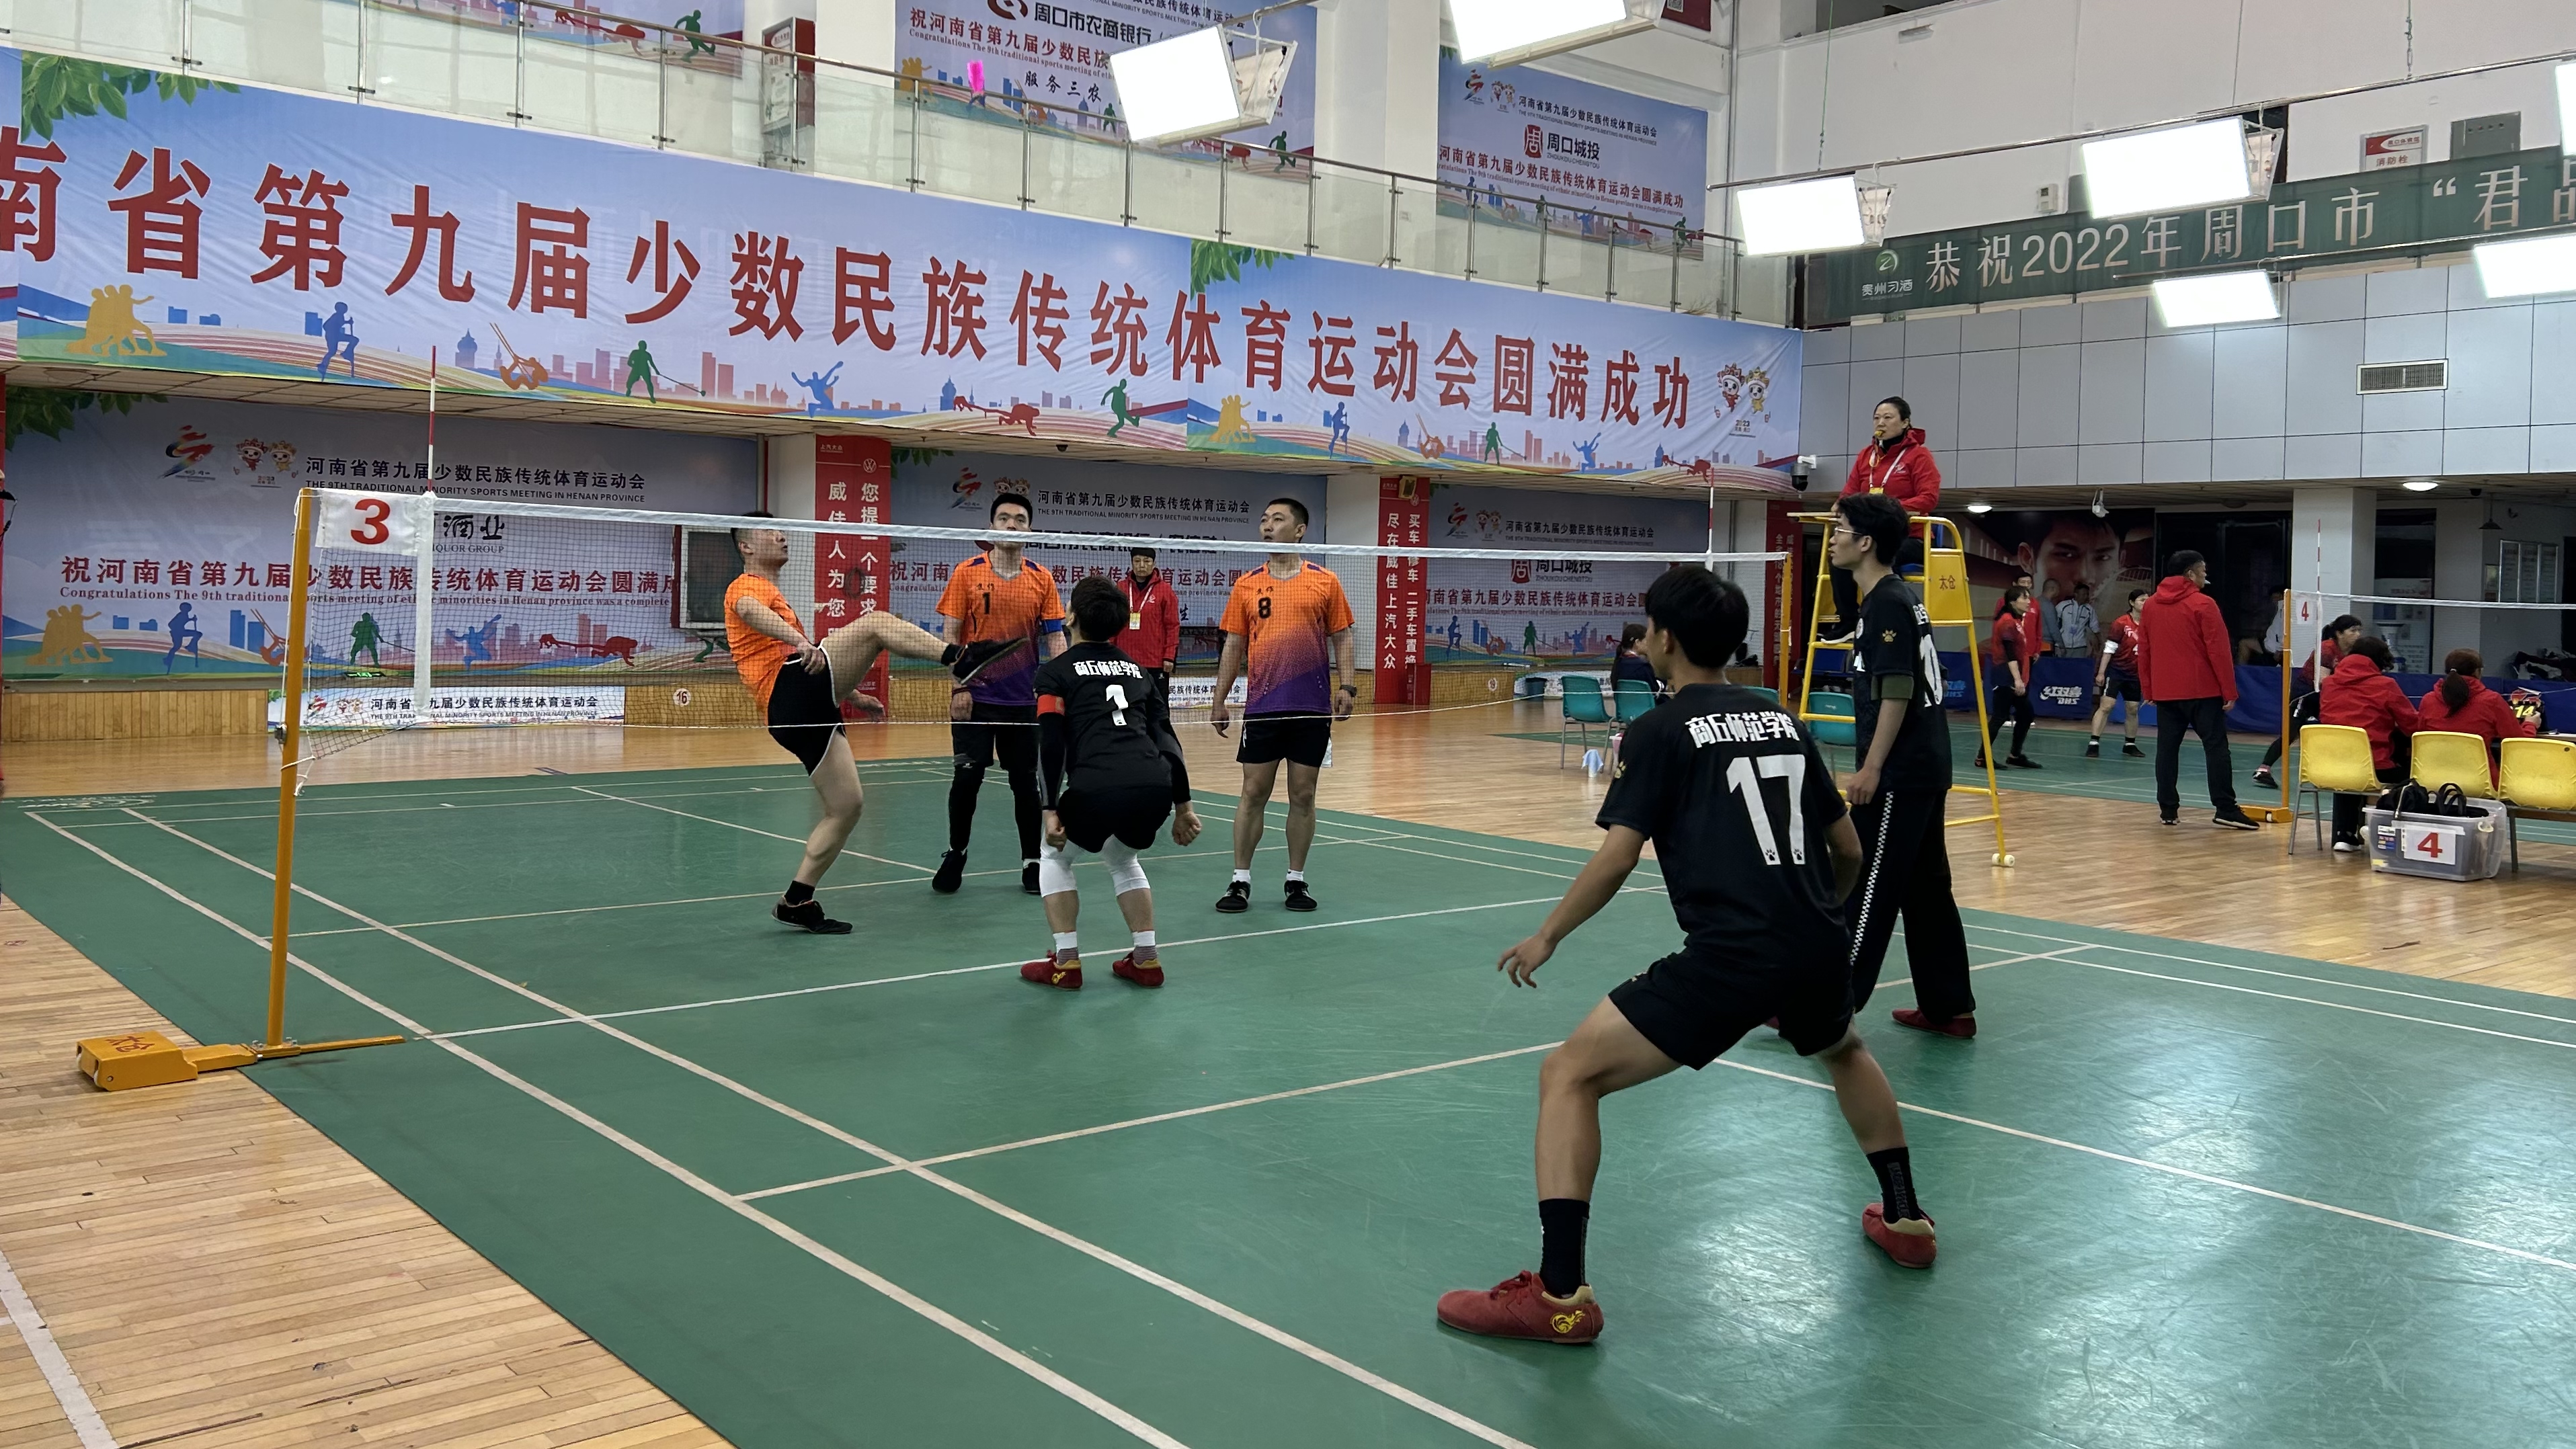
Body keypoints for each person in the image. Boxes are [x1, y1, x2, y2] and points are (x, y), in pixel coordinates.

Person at [1433, 566, 1937, 1347]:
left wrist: (1548, 934)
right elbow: (1846, 849)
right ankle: (1905, 1220)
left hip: (1733, 954)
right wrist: (1817, 922)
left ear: (1663, 639)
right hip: (1815, 939)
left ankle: (1559, 1296)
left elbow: (1617, 855)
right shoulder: (1781, 719)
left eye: (1646, 625)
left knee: (1567, 1074)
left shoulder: (1659, 730)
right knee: (1843, 1048)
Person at [725, 513, 1020, 932]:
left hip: (802, 710)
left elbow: (810, 661)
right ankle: (960, 658)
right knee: (877, 623)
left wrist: (855, 697)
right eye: (768, 532)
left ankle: (797, 900)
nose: (780, 536)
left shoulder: (776, 593)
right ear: (746, 546)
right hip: (786, 690)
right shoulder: (745, 586)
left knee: (846, 807)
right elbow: (750, 612)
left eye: (781, 530)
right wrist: (800, 640)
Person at [1833, 493, 1976, 1038]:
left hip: (1901, 771)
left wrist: (1872, 768)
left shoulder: (1888, 603)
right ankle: (1949, 1008)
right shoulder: (1894, 598)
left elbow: (1897, 689)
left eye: (1840, 529)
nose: (1833, 539)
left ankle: (1828, 1007)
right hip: (1924, 766)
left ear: (1866, 542)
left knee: (1865, 884)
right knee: (1925, 890)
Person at [1021, 577, 1205, 990]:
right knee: (1123, 858)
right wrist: (1184, 806)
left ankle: (1065, 964)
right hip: (1153, 787)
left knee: (1053, 857)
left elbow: (1051, 744)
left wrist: (1049, 809)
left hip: (1097, 787)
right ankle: (1146, 959)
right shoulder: (1139, 671)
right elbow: (1166, 738)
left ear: (1071, 617)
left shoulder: (1055, 673)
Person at [1209, 498, 1356, 914]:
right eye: (1264, 520)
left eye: (1277, 519)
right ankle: (1240, 880)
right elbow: (1234, 645)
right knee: (1253, 791)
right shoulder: (1247, 584)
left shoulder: (1325, 581)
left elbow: (1343, 636)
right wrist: (1219, 699)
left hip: (1311, 707)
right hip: (1263, 706)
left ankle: (1296, 879)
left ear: (1299, 530)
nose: (1267, 527)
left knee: (1303, 794)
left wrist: (1348, 686)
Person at [933, 493, 1070, 897]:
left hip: (1024, 701)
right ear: (991, 527)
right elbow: (950, 637)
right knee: (967, 779)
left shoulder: (1042, 578)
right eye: (1004, 518)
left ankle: (1031, 861)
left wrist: (1064, 686)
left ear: (1030, 530)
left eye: (1020, 519)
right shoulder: (966, 573)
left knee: (1026, 784)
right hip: (975, 698)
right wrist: (958, 686)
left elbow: (1055, 637)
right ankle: (956, 853)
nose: (1012, 525)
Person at [2139, 551, 2263, 831]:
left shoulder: (2151, 605)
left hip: (2166, 692)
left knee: (2166, 750)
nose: (2206, 575)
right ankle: (2225, 808)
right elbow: (2219, 651)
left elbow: (2144, 649)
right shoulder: (2204, 604)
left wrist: (2149, 688)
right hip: (2202, 690)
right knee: (2216, 748)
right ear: (2190, 574)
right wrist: (2229, 690)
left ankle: (2168, 809)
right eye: (2203, 570)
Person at [1824, 397, 1940, 643]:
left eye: (1888, 418)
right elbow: (1849, 492)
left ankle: (1887, 618)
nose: (1881, 423)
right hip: (1871, 535)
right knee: (1838, 554)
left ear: (1905, 422)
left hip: (1911, 538)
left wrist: (1887, 510)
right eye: (1877, 418)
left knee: (1881, 555)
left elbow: (1929, 498)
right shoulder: (1866, 456)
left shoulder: (1919, 456)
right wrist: (1839, 504)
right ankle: (1849, 622)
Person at [2317, 635, 2418, 852]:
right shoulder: (2386, 685)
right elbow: (2413, 726)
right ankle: (2383, 827)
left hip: (2331, 766)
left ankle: (2344, 835)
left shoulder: (2329, 684)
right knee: (2416, 776)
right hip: (2374, 765)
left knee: (2349, 772)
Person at [2252, 615, 2362, 792]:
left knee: (2336, 731)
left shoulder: (2353, 652)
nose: (2358, 634)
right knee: (2290, 733)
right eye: (2353, 630)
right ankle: (2263, 770)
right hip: (2306, 694)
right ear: (2340, 633)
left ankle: (2335, 773)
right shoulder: (2327, 648)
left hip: (2326, 696)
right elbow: (2322, 681)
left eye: (2359, 630)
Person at [2413, 649, 2536, 786]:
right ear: (2478, 672)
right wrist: (2530, 724)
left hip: (2433, 781)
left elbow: (2421, 735)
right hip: (2481, 785)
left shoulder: (2428, 700)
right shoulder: (2492, 701)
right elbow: (2518, 744)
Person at [1975, 585, 2040, 771]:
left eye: (2029, 597)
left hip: (2013, 675)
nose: (2029, 602)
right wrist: (2017, 680)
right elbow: (2010, 655)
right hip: (2005, 676)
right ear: (2013, 602)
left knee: (2026, 714)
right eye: (2024, 598)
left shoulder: (2016, 620)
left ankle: (2015, 756)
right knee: (1999, 717)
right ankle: (1982, 758)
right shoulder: (2007, 623)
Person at [2087, 588, 2148, 758]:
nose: (2146, 603)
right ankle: (2094, 743)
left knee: (2133, 708)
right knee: (2107, 706)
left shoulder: (2150, 624)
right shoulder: (2121, 623)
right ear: (2132, 603)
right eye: (2142, 600)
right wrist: (2101, 673)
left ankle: (2130, 744)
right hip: (2117, 671)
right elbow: (2109, 649)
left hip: (2135, 674)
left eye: (2147, 600)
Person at [1115, 547, 1180, 696]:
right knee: (1126, 703)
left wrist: (1169, 656)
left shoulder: (1165, 590)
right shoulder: (1121, 588)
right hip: (1124, 660)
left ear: (1154, 563)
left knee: (1158, 705)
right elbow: (1113, 622)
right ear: (1132, 563)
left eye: (1147, 561)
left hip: (1155, 661)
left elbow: (1172, 626)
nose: (1142, 565)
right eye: (1137, 561)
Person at [1610, 622, 1659, 696]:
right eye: (1646, 640)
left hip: (1625, 704)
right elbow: (1655, 690)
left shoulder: (1619, 663)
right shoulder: (1643, 667)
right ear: (1637, 642)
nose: (1649, 644)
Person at [2054, 582, 2099, 659]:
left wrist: (2098, 646)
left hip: (2080, 646)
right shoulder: (2063, 606)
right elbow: (2054, 624)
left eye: (2087, 594)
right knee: (2060, 666)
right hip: (2062, 645)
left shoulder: (2089, 609)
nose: (2086, 597)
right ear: (2076, 594)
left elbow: (2095, 628)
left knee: (2077, 666)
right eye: (2083, 594)